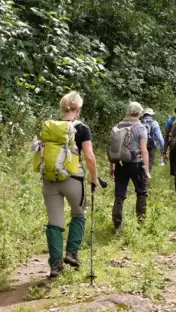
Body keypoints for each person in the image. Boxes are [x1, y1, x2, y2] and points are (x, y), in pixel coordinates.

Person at [35, 91, 99, 278]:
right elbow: (88, 156)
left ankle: (55, 265)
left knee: (54, 222)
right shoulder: (82, 128)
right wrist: (94, 177)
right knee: (79, 214)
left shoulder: (50, 127)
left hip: (50, 179)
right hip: (73, 179)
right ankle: (71, 253)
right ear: (78, 109)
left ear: (62, 108)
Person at [109, 102, 151, 234]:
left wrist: (112, 166)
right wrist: (147, 171)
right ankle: (140, 224)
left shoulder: (116, 126)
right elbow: (144, 151)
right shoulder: (140, 127)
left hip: (120, 164)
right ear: (139, 113)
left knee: (119, 195)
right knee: (141, 192)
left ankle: (117, 226)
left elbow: (112, 148)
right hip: (136, 163)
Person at [140, 108, 164, 172]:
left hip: (141, 145)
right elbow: (160, 139)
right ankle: (147, 177)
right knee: (149, 163)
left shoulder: (139, 123)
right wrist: (163, 151)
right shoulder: (154, 123)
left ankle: (140, 177)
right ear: (151, 115)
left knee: (141, 163)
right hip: (151, 145)